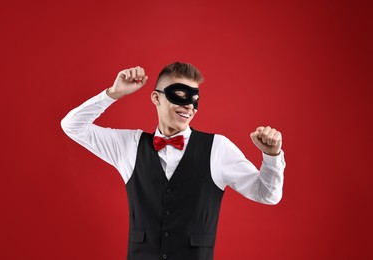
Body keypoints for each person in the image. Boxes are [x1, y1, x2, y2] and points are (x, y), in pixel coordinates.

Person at [61, 62, 285, 260]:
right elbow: (72, 126)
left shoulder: (218, 148)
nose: (189, 105)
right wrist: (113, 93)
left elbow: (267, 195)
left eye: (195, 99)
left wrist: (272, 155)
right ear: (156, 97)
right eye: (180, 94)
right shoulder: (129, 146)